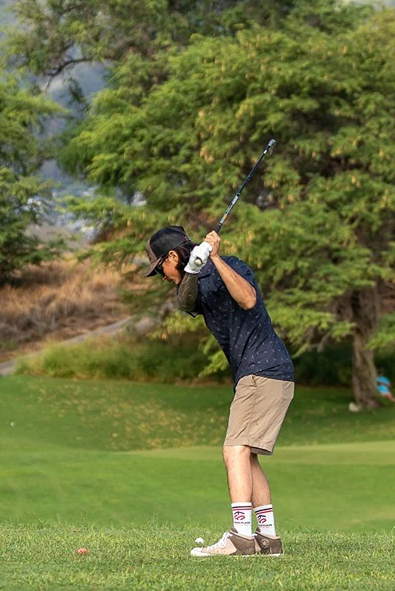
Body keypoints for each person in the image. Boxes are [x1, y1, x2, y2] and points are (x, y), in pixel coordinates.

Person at [145, 225, 294, 557]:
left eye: (160, 269)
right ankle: (268, 540)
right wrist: (195, 267)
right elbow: (185, 301)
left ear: (171, 256)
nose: (161, 276)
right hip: (259, 374)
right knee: (248, 455)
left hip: (263, 369)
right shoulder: (194, 283)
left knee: (234, 450)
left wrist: (215, 257)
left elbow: (248, 298)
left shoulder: (234, 265)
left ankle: (241, 537)